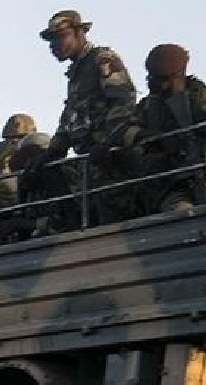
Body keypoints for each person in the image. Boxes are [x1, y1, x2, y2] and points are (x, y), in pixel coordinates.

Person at [27, 10, 137, 224]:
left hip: (109, 159)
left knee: (111, 219)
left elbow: (124, 100)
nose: (54, 45)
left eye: (61, 37)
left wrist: (108, 141)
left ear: (79, 33)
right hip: (89, 159)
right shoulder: (76, 75)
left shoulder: (101, 59)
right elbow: (70, 119)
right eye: (51, 41)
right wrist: (50, 152)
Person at [108, 43, 206, 213]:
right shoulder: (149, 108)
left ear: (179, 75)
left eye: (163, 79)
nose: (155, 83)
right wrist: (153, 137)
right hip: (173, 188)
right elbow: (118, 133)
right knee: (182, 216)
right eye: (152, 77)